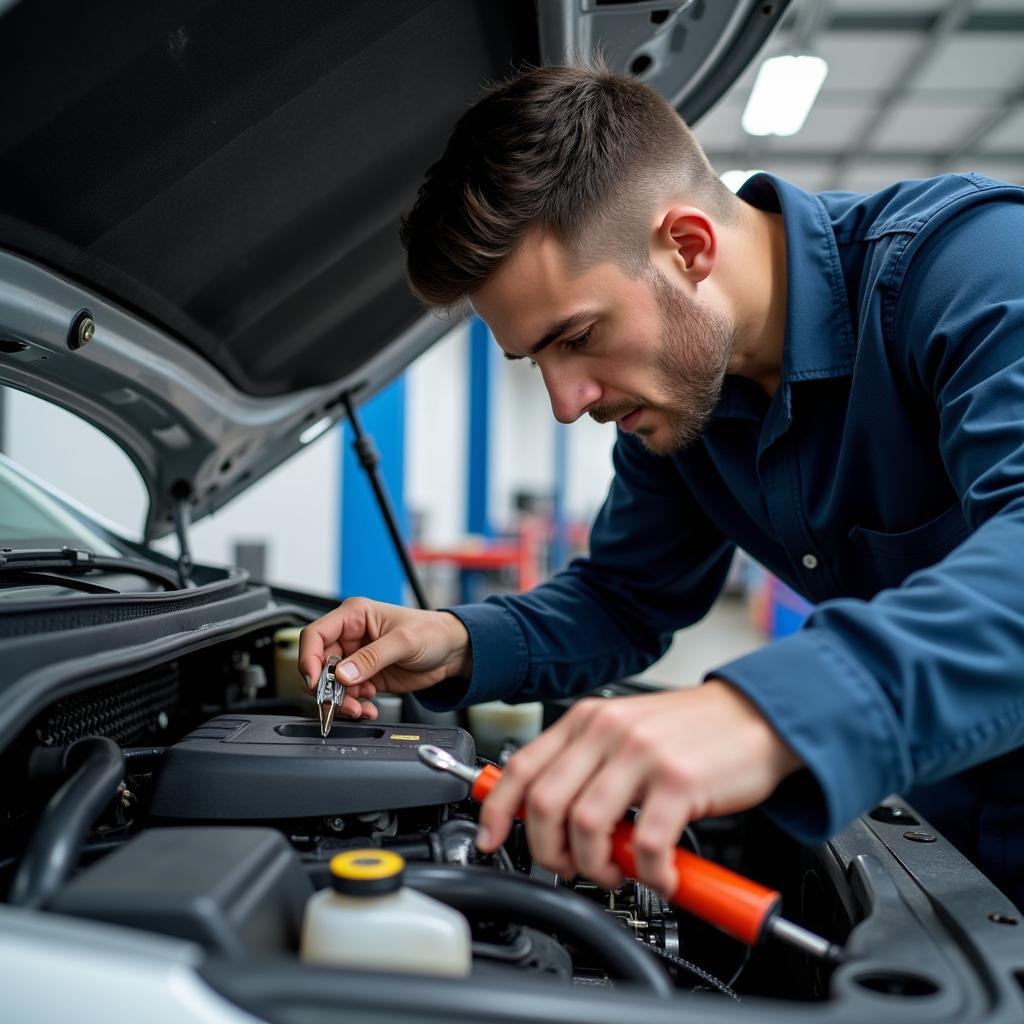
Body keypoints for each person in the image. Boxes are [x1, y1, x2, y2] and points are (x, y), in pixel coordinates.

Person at [299, 62, 1024, 906]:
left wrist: (767, 713)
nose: (567, 405)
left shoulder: (972, 270)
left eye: (576, 337)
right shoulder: (687, 407)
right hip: (944, 833)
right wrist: (456, 639)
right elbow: (625, 598)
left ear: (687, 247)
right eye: (536, 360)